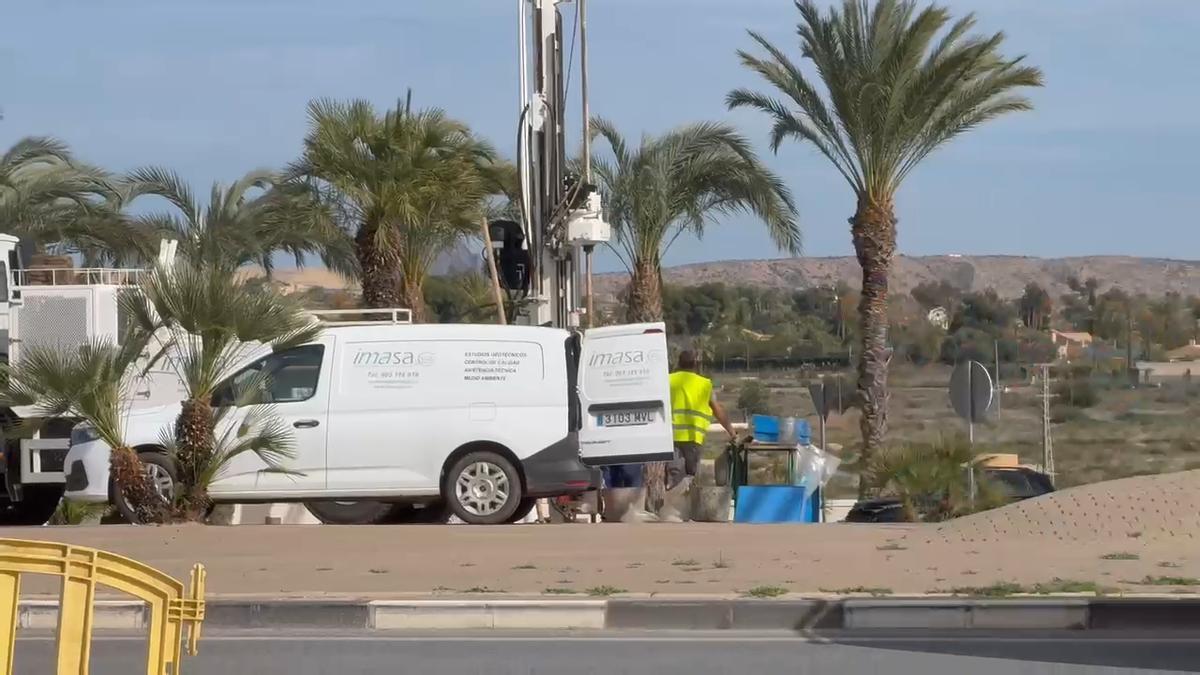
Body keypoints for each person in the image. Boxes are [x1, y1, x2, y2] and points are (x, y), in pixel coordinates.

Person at [668, 350, 735, 489]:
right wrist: (732, 432)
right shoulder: (704, 384)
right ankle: (687, 504)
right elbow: (717, 410)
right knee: (691, 476)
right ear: (696, 364)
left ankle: (672, 503)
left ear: (679, 363)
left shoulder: (668, 380)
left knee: (673, 475)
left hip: (671, 437)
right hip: (694, 438)